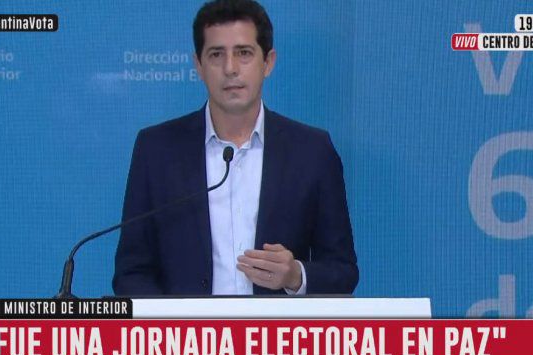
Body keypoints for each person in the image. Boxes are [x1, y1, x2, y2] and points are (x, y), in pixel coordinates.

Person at [113, 0, 358, 296]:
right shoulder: (156, 150)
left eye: (244, 53)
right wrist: (175, 322)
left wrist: (296, 275)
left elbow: (342, 272)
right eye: (216, 55)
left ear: (268, 62)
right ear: (199, 65)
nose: (230, 69)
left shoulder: (312, 151)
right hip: (186, 327)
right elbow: (131, 273)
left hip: (275, 327)